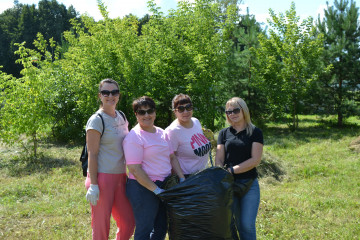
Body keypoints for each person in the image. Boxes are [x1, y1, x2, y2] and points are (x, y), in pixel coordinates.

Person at [123, 96, 185, 240]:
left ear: (155, 112)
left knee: (161, 228)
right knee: (144, 230)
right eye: (141, 112)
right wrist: (156, 190)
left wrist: (182, 178)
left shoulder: (162, 133)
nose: (146, 115)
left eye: (150, 111)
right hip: (142, 188)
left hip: (164, 186)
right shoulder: (134, 137)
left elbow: (172, 158)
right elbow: (135, 169)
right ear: (136, 115)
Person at [84, 78, 135, 240]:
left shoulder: (121, 116)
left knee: (128, 221)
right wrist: (93, 184)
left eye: (114, 92)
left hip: (121, 177)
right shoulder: (96, 120)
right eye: (106, 92)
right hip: (101, 177)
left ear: (118, 95)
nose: (110, 95)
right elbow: (92, 153)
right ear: (100, 96)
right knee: (101, 226)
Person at [215, 97, 264, 240]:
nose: (232, 114)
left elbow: (255, 160)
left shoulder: (255, 132)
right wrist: (220, 171)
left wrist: (231, 170)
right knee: (235, 223)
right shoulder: (223, 133)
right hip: (229, 185)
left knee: (247, 225)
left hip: (249, 184)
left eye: (236, 110)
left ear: (244, 110)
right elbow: (219, 158)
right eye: (228, 111)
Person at [165, 94, 211, 177]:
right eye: (181, 109)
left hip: (204, 173)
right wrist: (181, 179)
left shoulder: (196, 121)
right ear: (174, 111)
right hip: (188, 178)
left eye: (188, 107)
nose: (185, 112)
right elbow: (170, 159)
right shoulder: (172, 131)